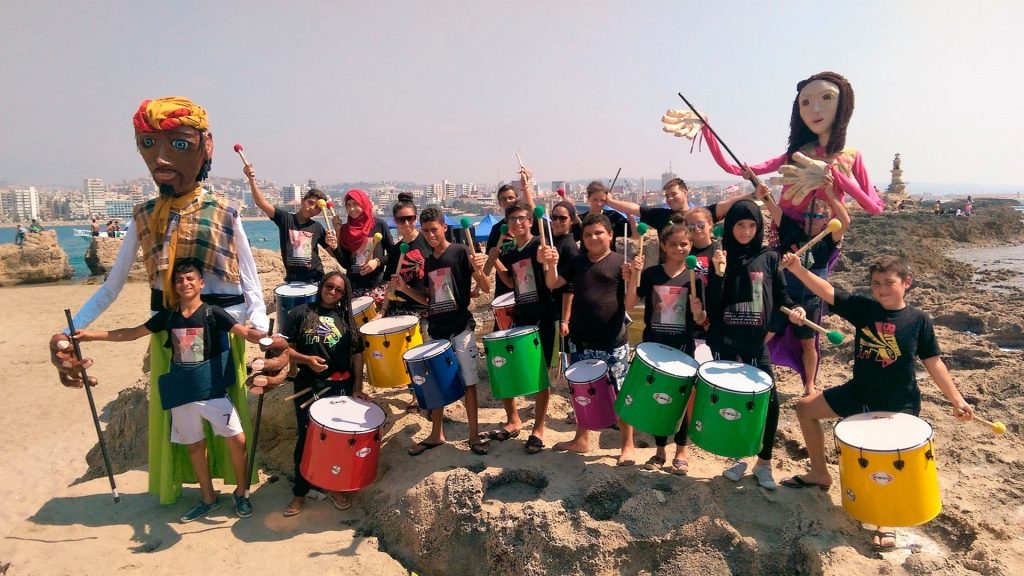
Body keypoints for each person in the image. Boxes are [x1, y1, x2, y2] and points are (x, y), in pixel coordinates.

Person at [50, 96, 269, 505]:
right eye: (148, 144)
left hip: (224, 332)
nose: (161, 158)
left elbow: (251, 283)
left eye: (179, 144)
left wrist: (261, 332)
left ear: (206, 146)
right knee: (183, 420)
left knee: (228, 419)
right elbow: (111, 287)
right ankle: (199, 493)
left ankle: (238, 489)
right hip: (170, 332)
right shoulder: (143, 215)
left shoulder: (226, 211)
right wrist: (69, 332)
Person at [779, 254, 975, 551]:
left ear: (907, 283)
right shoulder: (865, 309)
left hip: (899, 403)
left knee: (889, 459)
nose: (881, 289)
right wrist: (797, 268)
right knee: (805, 408)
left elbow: (934, 362)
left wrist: (956, 399)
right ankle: (819, 473)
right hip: (859, 392)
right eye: (876, 284)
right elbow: (827, 291)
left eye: (888, 282)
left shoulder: (919, 320)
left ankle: (886, 520)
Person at [74, 259, 267, 521]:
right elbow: (132, 333)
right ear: (174, 287)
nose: (185, 283)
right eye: (179, 280)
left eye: (190, 279)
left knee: (237, 439)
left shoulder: (213, 312)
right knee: (195, 446)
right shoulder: (168, 316)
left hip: (212, 391)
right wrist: (91, 335)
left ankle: (241, 493)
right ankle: (208, 498)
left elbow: (244, 332)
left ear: (201, 283)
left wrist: (262, 336)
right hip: (181, 392)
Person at [664, 71, 884, 222]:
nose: (815, 109)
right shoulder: (797, 154)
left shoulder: (852, 156)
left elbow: (874, 207)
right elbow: (734, 168)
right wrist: (707, 129)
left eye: (827, 97)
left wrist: (831, 176)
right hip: (787, 232)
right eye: (805, 102)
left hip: (827, 237)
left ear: (843, 103)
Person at [705, 200, 805, 489]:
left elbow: (783, 298)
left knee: (770, 403)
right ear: (730, 227)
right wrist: (718, 275)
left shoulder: (769, 257)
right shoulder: (721, 257)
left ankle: (764, 462)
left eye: (752, 226)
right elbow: (713, 307)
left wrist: (795, 310)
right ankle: (738, 458)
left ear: (759, 227)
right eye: (740, 225)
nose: (746, 231)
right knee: (733, 405)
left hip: (756, 345)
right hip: (726, 344)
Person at [394, 208, 491, 456]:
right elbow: (429, 300)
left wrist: (479, 268)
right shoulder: (427, 261)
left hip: (461, 326)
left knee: (469, 382)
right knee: (435, 381)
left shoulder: (461, 251)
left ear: (444, 227)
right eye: (425, 231)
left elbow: (486, 287)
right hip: (437, 328)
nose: (430, 235)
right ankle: (436, 434)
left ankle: (474, 435)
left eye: (434, 230)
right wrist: (404, 288)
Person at [541, 213, 634, 464]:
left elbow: (630, 302)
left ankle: (627, 445)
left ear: (610, 235)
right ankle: (581, 439)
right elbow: (553, 283)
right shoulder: (577, 262)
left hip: (612, 341)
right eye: (588, 234)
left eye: (598, 233)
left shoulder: (621, 263)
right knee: (581, 393)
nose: (593, 238)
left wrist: (633, 277)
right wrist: (550, 264)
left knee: (620, 392)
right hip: (580, 340)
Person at [623, 223, 707, 474]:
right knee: (658, 398)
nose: (679, 249)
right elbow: (629, 305)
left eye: (684, 244)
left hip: (683, 347)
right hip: (654, 347)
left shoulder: (695, 278)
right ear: (663, 246)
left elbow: (702, 320)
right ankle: (659, 451)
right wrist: (634, 276)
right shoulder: (651, 274)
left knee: (682, 400)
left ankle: (681, 452)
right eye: (673, 244)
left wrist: (698, 312)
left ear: (690, 246)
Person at [283, 271, 367, 517]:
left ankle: (333, 487)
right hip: (307, 386)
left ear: (344, 294)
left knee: (336, 443)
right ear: (321, 286)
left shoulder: (347, 318)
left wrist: (357, 387)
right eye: (329, 286)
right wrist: (306, 360)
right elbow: (285, 349)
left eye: (339, 290)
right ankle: (300, 492)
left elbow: (357, 354)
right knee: (306, 439)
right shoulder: (300, 313)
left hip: (340, 389)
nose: (332, 292)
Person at [766, 186, 850, 396]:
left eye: (818, 216)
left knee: (808, 344)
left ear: (826, 220)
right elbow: (771, 206)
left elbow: (845, 221)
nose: (812, 219)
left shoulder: (828, 240)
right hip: (784, 296)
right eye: (809, 215)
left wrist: (829, 192)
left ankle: (809, 385)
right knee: (764, 337)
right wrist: (761, 190)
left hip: (810, 300)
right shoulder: (790, 231)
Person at [489, 200, 553, 454]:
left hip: (543, 317)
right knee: (509, 368)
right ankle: (514, 419)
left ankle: (539, 428)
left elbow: (551, 275)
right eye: (512, 219)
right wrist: (495, 261)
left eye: (521, 218)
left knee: (540, 375)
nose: (517, 223)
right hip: (520, 315)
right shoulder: (511, 251)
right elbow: (509, 282)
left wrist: (548, 259)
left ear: (530, 221)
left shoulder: (540, 245)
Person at [243, 163, 337, 283]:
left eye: (317, 207)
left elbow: (333, 254)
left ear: (320, 211)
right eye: (310, 202)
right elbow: (262, 203)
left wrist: (335, 243)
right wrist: (251, 179)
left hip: (315, 278)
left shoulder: (317, 227)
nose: (312, 208)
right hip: (292, 279)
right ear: (302, 201)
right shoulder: (285, 219)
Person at [483, 169, 538, 308]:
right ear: (499, 203)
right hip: (505, 284)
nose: (507, 201)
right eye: (503, 199)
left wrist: (525, 186)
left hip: (530, 285)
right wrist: (480, 284)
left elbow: (535, 213)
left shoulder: (528, 224)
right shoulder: (497, 229)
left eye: (510, 198)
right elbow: (491, 259)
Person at [335, 189, 392, 303]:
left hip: (377, 286)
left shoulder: (379, 224)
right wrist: (335, 244)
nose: (351, 209)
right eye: (348, 205)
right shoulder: (344, 229)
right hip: (353, 287)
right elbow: (346, 264)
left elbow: (394, 253)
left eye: (355, 204)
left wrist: (377, 262)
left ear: (364, 204)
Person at [382, 192, 429, 319]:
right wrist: (382, 311)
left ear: (416, 218)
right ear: (395, 221)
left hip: (423, 309)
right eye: (401, 219)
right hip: (399, 309)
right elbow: (390, 284)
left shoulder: (428, 241)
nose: (406, 223)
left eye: (410, 218)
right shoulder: (395, 250)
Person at [583, 181, 629, 250]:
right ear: (588, 199)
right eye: (595, 200)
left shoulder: (613, 216)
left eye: (602, 200)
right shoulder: (581, 219)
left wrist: (611, 202)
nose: (599, 204)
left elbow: (634, 234)